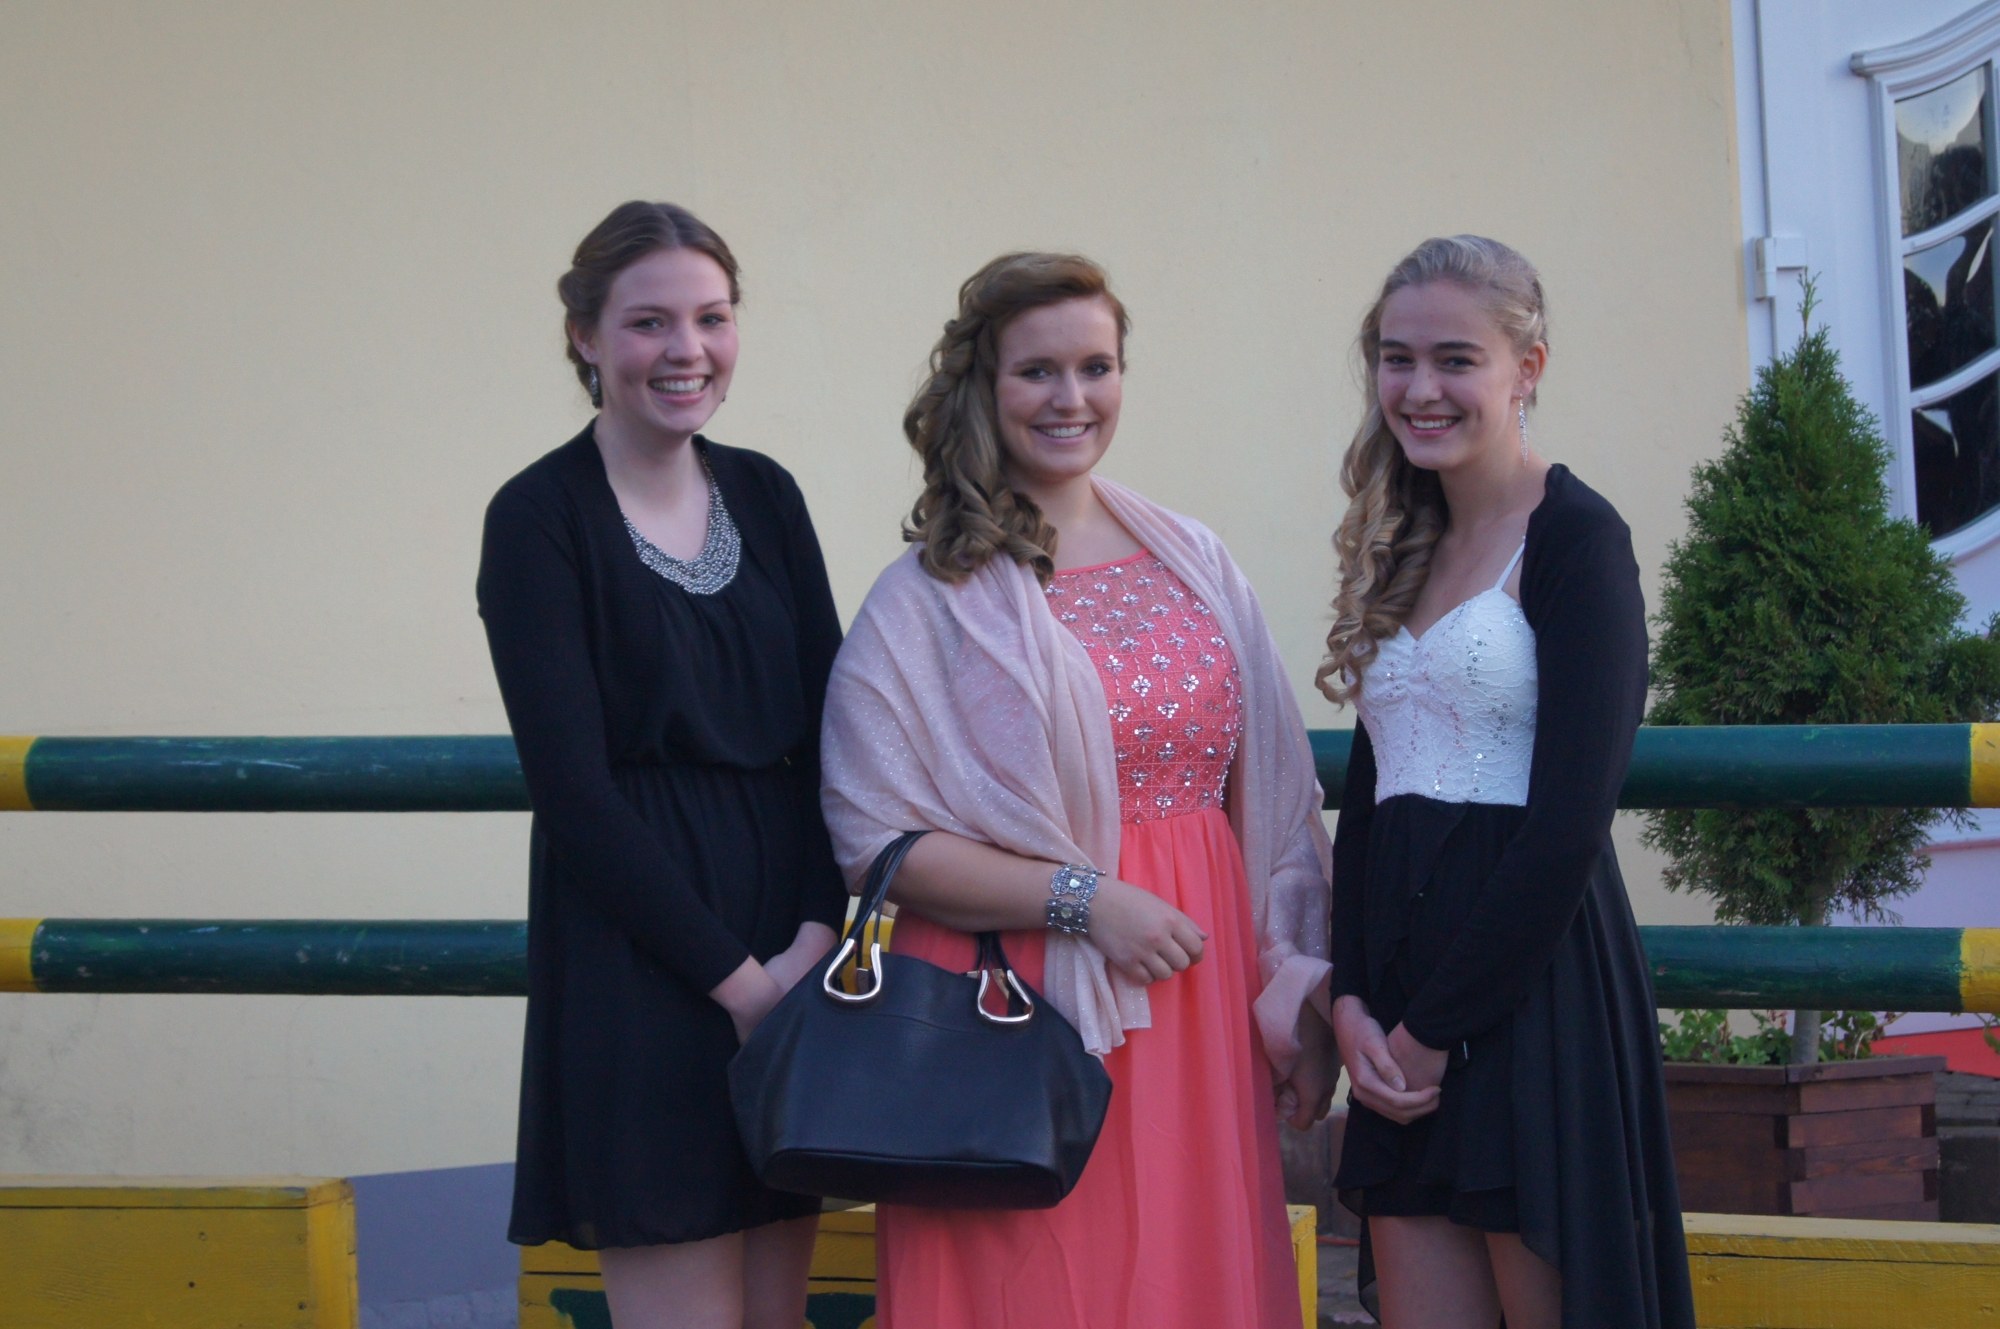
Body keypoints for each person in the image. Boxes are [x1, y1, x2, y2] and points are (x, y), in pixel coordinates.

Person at [820, 252, 1334, 1329]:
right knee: (1038, 1284)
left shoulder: (1195, 558)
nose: (1071, 398)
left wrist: (1295, 990)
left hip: (1196, 991)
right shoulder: (926, 598)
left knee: (1187, 1278)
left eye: (1095, 367)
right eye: (1037, 371)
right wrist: (1084, 901)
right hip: (1014, 1013)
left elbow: (1279, 799)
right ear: (983, 385)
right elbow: (874, 835)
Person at [476, 201, 846, 1329]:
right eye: (649, 322)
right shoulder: (537, 518)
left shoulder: (768, 494)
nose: (687, 350)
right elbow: (574, 794)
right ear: (584, 336)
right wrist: (736, 983)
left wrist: (811, 938)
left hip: (788, 944)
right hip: (641, 962)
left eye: (712, 318)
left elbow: (838, 732)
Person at [1319, 234, 1695, 1329]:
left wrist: (1436, 1030)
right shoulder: (1402, 538)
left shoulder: (1578, 539)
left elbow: (1568, 825)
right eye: (1396, 359)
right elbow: (1370, 799)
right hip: (1397, 1005)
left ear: (1526, 367)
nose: (1418, 389)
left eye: (1454, 359)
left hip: (1532, 996)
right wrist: (1351, 1001)